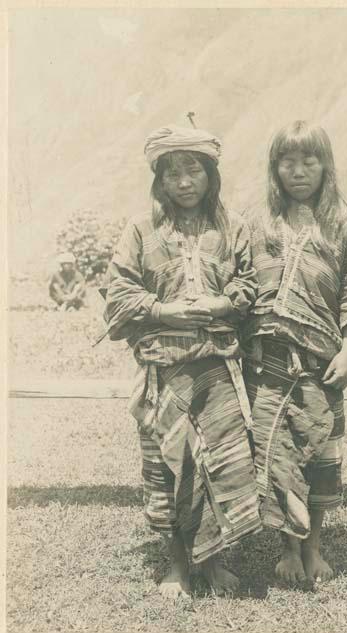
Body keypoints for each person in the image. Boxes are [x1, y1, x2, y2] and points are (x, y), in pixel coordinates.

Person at [104, 125, 261, 599]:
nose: (184, 181)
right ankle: (177, 565)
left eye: (194, 170)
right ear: (160, 180)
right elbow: (118, 293)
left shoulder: (233, 227)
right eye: (173, 173)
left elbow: (250, 286)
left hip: (216, 370)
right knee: (170, 465)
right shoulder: (141, 231)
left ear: (211, 175)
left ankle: (212, 563)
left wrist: (221, 304)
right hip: (165, 368)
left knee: (221, 463)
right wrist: (163, 310)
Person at [243, 121, 347, 587]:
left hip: (324, 362)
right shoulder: (258, 220)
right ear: (274, 166)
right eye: (287, 161)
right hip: (270, 360)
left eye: (309, 160)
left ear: (325, 165)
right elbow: (243, 282)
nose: (298, 171)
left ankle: (315, 548)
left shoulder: (344, 224)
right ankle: (287, 548)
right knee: (275, 450)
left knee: (321, 455)